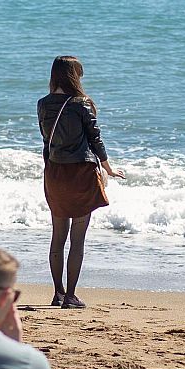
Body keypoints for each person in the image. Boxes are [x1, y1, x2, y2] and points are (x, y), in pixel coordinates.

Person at [36, 56, 124, 308]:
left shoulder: (42, 104)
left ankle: (58, 293)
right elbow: (96, 140)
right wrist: (109, 168)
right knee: (77, 238)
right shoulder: (81, 104)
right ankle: (71, 296)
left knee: (57, 237)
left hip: (55, 172)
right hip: (81, 174)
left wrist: (50, 170)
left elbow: (46, 142)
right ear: (74, 76)